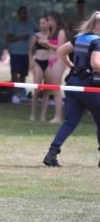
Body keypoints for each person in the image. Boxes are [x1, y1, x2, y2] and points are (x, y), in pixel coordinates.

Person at [42, 11, 100, 167]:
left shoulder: (80, 37)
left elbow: (61, 51)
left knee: (70, 121)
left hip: (73, 83)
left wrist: (72, 68)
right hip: (90, 86)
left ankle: (52, 153)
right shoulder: (98, 41)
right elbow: (95, 64)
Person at [5, 5, 34, 104]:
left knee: (23, 75)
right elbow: (8, 38)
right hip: (15, 52)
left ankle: (21, 94)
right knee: (14, 74)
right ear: (19, 14)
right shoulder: (14, 24)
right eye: (23, 12)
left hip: (26, 53)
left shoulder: (31, 25)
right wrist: (20, 37)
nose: (24, 14)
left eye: (26, 12)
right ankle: (14, 94)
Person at [45, 12, 68, 123]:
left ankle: (58, 116)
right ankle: (56, 115)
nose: (48, 22)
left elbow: (60, 47)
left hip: (58, 61)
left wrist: (47, 43)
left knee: (57, 89)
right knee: (53, 89)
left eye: (49, 20)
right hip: (50, 60)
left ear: (55, 20)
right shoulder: (51, 32)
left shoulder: (61, 31)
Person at [29, 16, 53, 122]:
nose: (41, 25)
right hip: (38, 60)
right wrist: (31, 63)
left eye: (43, 23)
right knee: (37, 90)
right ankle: (33, 114)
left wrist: (48, 43)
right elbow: (30, 50)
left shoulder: (53, 36)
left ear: (48, 24)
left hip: (49, 62)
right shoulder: (36, 36)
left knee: (46, 91)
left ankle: (43, 115)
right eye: (40, 23)